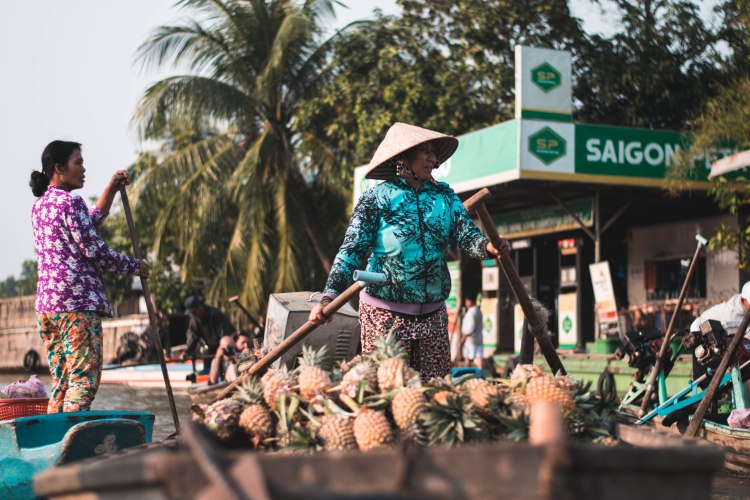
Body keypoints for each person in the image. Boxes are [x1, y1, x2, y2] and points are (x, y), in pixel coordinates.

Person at [309, 122, 509, 381]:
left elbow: (467, 235)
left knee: (436, 391)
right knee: (390, 391)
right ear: (403, 158)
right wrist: (329, 297)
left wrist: (488, 247)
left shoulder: (445, 196)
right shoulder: (376, 199)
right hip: (384, 315)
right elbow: (351, 250)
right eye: (425, 151)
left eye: (434, 152)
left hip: (433, 316)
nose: (432, 158)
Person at [29, 140, 150, 413]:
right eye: (78, 163)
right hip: (75, 305)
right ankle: (70, 434)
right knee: (83, 379)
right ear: (59, 168)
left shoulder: (40, 206)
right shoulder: (71, 202)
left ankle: (54, 431)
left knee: (62, 381)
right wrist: (135, 266)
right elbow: (95, 250)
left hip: (47, 307)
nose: (83, 169)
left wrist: (112, 188)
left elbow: (89, 222)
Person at [182, 295, 235, 364]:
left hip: (225, 347)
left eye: (194, 312)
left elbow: (225, 335)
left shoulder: (215, 314)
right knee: (208, 363)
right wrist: (187, 351)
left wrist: (221, 348)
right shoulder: (195, 319)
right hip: (210, 349)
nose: (193, 314)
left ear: (199, 307)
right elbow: (192, 336)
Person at [461, 296, 484, 368]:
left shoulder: (471, 312)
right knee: (478, 356)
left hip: (470, 339)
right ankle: (480, 372)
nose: (466, 303)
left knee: (467, 357)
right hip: (478, 338)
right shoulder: (478, 311)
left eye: (466, 301)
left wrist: (464, 337)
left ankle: (467, 371)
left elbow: (470, 327)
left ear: (470, 301)